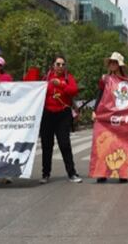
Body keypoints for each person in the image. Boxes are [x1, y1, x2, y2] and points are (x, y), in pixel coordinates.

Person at [40, 55, 82, 184]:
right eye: (58, 64)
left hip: (63, 114)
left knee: (64, 144)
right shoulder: (46, 78)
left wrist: (62, 84)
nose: (60, 67)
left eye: (63, 64)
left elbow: (74, 90)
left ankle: (72, 173)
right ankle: (45, 174)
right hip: (47, 114)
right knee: (47, 145)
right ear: (53, 65)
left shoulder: (68, 78)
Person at [96, 52, 128, 184]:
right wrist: (95, 111)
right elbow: (99, 95)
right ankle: (102, 172)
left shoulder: (126, 80)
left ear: (119, 65)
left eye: (115, 63)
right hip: (105, 114)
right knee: (105, 144)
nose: (112, 65)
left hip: (121, 114)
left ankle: (122, 173)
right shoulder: (104, 79)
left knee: (121, 144)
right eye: (111, 63)